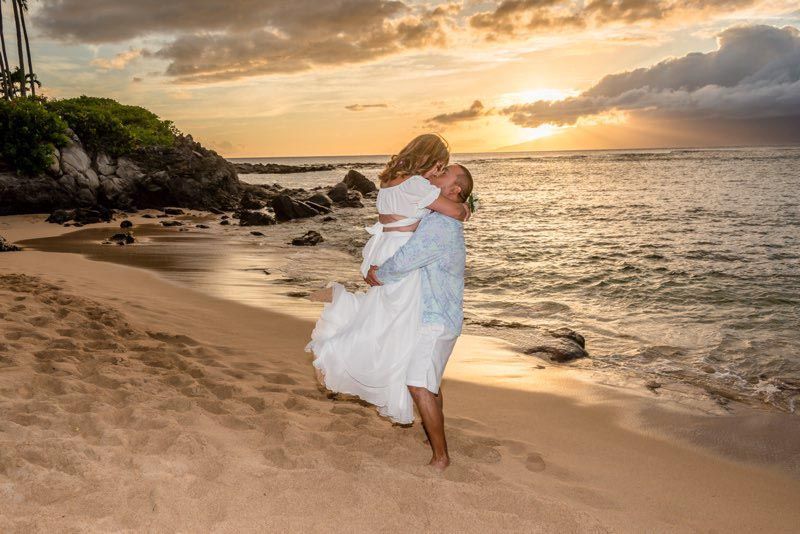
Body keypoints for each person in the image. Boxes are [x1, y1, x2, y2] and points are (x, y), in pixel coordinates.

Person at [306, 134, 469, 425]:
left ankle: (341, 306)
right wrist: (468, 207)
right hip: (401, 256)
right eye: (439, 167)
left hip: (385, 249)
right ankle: (334, 350)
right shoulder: (417, 185)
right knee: (396, 331)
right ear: (428, 158)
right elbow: (456, 211)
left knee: (382, 318)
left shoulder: (388, 183)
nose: (437, 173)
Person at [365, 163, 473, 470]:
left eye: (444, 175)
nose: (436, 177)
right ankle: (432, 436)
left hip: (436, 318)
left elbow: (406, 259)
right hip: (437, 316)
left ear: (454, 190)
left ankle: (441, 457)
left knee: (418, 384)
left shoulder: (441, 226)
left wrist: (378, 275)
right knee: (430, 381)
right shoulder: (438, 215)